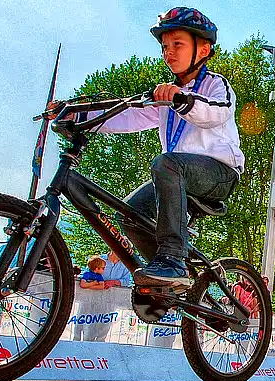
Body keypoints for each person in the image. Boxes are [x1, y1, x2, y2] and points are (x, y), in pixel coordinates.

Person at [44, 6, 242, 288]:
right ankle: (164, 276)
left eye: (177, 44)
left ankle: (173, 259)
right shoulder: (164, 95)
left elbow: (216, 112)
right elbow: (127, 115)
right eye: (164, 46)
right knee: (128, 213)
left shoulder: (215, 85)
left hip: (220, 173)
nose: (168, 52)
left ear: (203, 49)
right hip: (178, 173)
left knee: (166, 162)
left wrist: (182, 99)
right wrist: (79, 115)